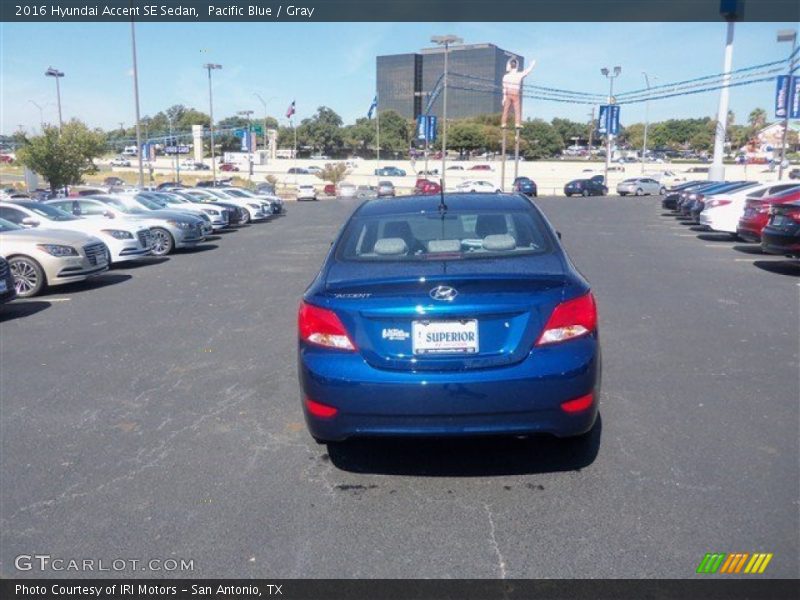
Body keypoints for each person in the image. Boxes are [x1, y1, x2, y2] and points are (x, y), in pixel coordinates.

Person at [501, 57, 536, 129]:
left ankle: (503, 123)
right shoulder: (519, 75)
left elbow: (504, 88)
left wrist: (504, 98)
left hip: (508, 93)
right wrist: (532, 65)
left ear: (509, 66)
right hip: (516, 93)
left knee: (506, 109)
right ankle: (517, 123)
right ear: (516, 66)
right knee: (517, 109)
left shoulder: (506, 76)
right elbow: (527, 71)